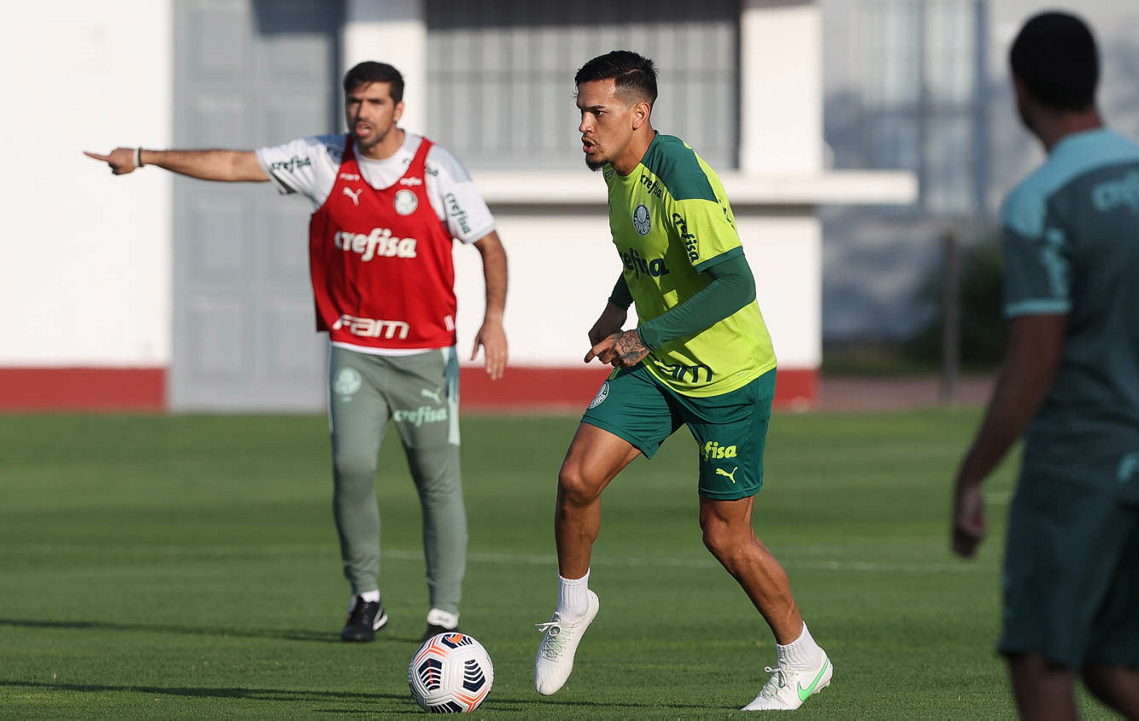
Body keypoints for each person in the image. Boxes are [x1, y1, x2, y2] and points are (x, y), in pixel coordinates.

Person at [85, 61, 509, 644]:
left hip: (425, 355)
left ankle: (444, 616)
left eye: (376, 102)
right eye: (355, 101)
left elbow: (490, 245)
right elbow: (234, 164)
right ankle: (366, 599)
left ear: (399, 109)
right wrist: (146, 156)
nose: (362, 112)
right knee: (350, 470)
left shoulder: (437, 169)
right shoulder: (322, 159)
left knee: (437, 483)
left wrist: (493, 319)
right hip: (354, 350)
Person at [531, 50, 831, 711]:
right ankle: (573, 607)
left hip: (729, 376)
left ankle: (802, 657)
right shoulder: (618, 170)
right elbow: (647, 250)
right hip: (661, 365)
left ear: (639, 114)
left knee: (725, 535)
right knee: (577, 479)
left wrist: (643, 334)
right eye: (580, 111)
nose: (583, 125)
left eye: (597, 112)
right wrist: (617, 307)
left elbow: (736, 283)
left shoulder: (682, 177)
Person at [948, 12, 1139, 720]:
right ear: (1094, 79)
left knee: (1041, 661)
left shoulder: (1041, 200)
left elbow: (1035, 359)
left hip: (1082, 464)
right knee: (1111, 661)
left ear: (1020, 88)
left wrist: (973, 473)